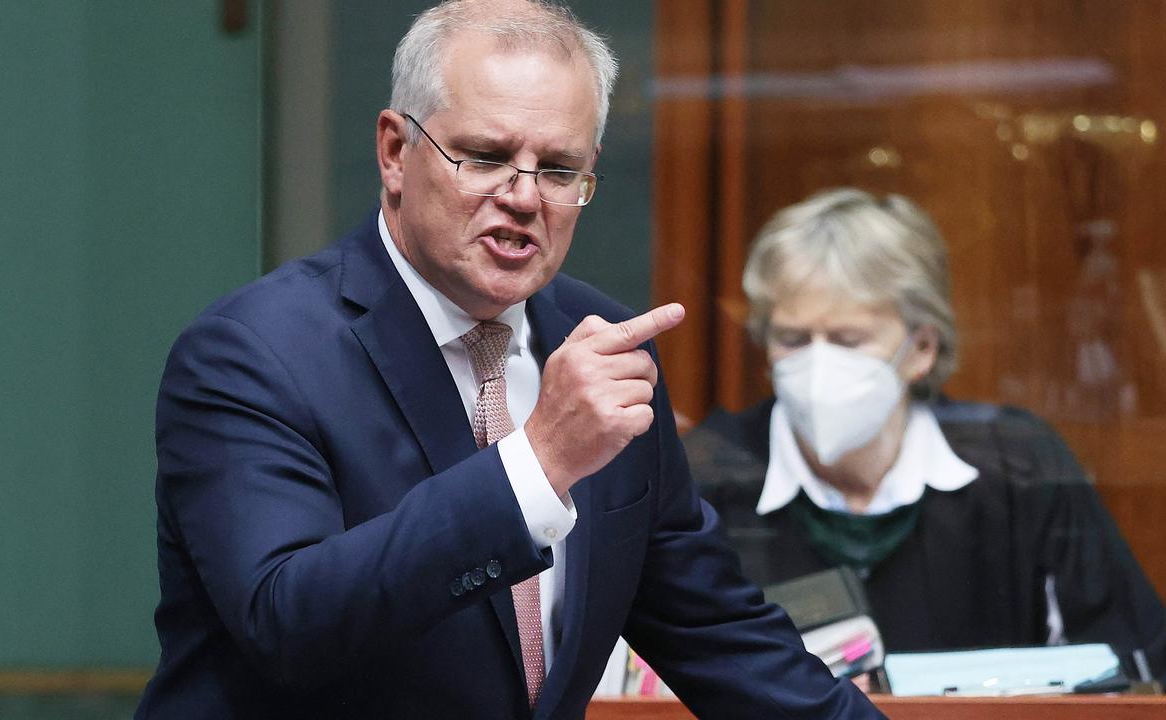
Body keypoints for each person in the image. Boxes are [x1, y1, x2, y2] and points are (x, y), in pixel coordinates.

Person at [134, 2, 881, 718]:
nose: (524, 198)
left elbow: (717, 634)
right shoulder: (254, 353)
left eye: (558, 170)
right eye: (487, 158)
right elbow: (285, 621)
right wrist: (539, 463)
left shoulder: (602, 343)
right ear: (396, 151)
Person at [689, 187, 1166, 682]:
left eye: (849, 340)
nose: (818, 364)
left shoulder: (1015, 468)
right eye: (792, 339)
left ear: (921, 348)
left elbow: (1132, 668)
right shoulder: (708, 474)